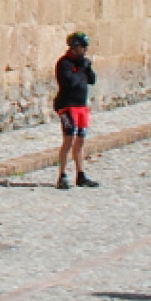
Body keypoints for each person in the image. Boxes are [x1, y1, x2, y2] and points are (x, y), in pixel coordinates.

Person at [54, 31, 98, 189]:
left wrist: (88, 67)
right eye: (82, 46)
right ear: (74, 47)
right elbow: (69, 82)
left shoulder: (83, 62)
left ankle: (81, 175)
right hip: (67, 105)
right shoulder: (64, 63)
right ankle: (62, 175)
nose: (85, 49)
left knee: (80, 140)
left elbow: (92, 80)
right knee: (69, 139)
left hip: (81, 106)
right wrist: (80, 70)